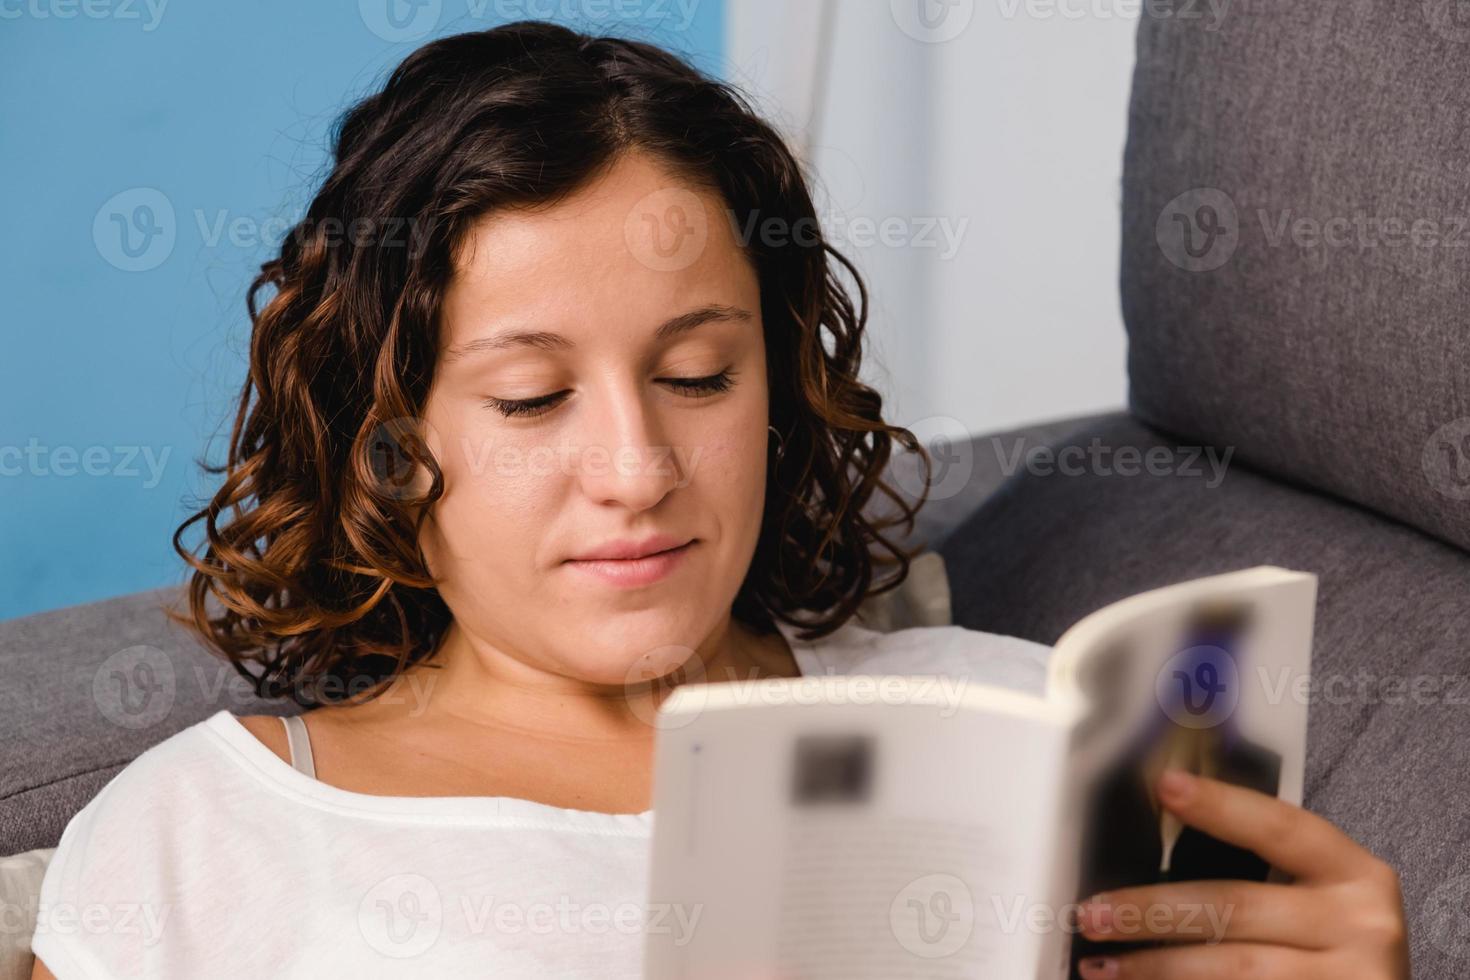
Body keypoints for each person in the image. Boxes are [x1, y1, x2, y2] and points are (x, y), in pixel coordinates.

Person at [30, 21, 1409, 979]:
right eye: (530, 399)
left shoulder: (1013, 721)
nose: (636, 472)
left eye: (697, 374)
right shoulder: (199, 842)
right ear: (389, 445)